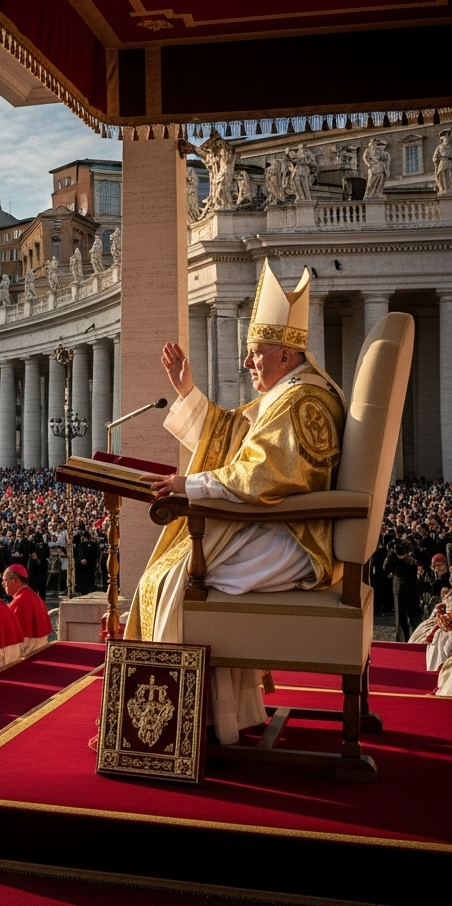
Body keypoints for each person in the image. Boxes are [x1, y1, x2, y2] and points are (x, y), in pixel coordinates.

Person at [126, 261, 346, 745]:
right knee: (174, 572)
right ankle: (218, 715)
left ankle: (170, 728)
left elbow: (262, 473)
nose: (247, 363)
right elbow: (234, 435)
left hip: (297, 538)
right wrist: (186, 391)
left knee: (176, 583)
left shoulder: (303, 403)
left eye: (254, 353)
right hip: (278, 525)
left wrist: (191, 486)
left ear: (286, 354)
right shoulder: (289, 393)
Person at [2, 564, 52, 655]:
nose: (3, 584)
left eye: (5, 580)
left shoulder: (19, 602)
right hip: (41, 647)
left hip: (28, 650)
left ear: (15, 581)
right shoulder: (32, 595)